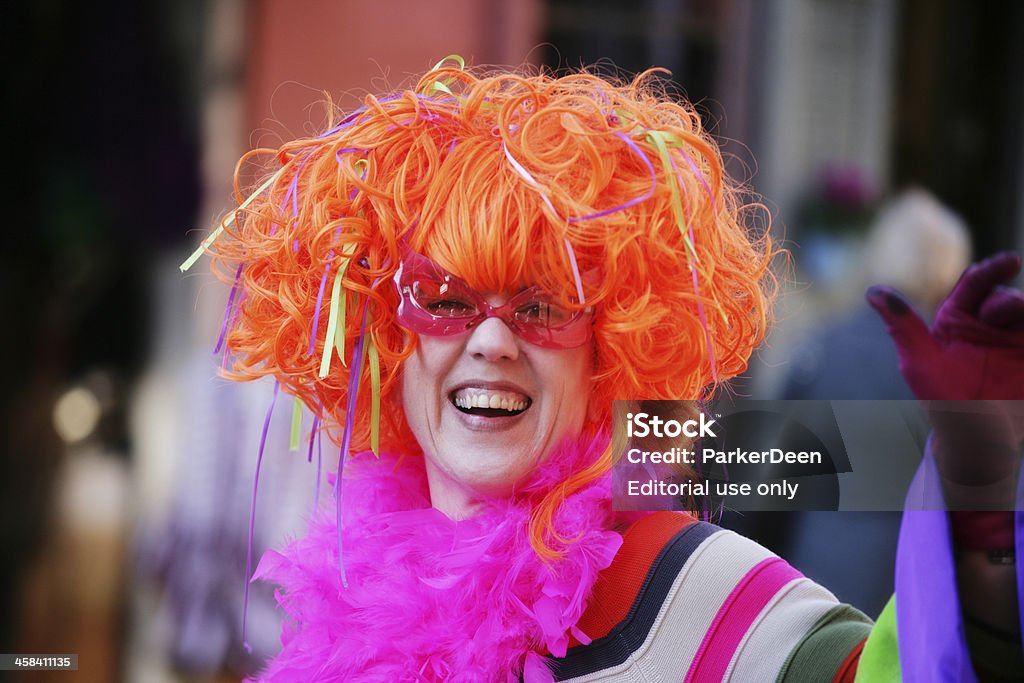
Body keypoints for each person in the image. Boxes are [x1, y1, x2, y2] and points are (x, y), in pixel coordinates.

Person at [183, 61, 1024, 681]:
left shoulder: (700, 596)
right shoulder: (343, 606)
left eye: (545, 305)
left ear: (609, 347)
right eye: (444, 298)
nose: (490, 339)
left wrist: (982, 542)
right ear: (395, 338)